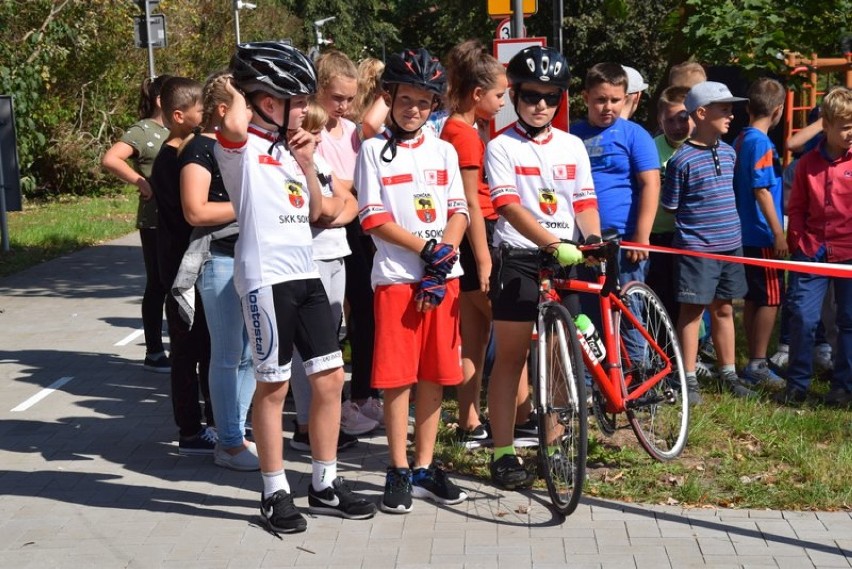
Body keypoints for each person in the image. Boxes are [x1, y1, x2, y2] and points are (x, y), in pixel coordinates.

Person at [216, 42, 377, 533]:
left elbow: (319, 212)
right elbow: (234, 123)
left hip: (305, 270)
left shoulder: (291, 149)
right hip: (266, 278)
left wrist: (307, 163)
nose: (308, 108)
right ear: (267, 101)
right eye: (298, 99)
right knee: (275, 383)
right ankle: (274, 490)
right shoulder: (239, 148)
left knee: (330, 379)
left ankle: (324, 484)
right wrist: (234, 87)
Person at [354, 48, 469, 513]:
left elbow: (458, 210)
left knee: (435, 378)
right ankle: (398, 469)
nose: (414, 109)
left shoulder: (444, 149)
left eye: (424, 102)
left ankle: (424, 467)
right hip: (398, 279)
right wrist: (425, 252)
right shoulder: (371, 151)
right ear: (389, 96)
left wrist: (443, 262)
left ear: (434, 105)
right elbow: (372, 217)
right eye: (406, 99)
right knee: (398, 380)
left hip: (443, 281)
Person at [485, 46, 600, 489]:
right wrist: (552, 242)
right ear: (515, 95)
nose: (540, 105)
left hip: (566, 258)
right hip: (519, 258)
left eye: (551, 98)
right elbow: (507, 206)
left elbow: (585, 201)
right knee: (511, 360)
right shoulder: (501, 146)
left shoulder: (572, 145)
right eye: (531, 95)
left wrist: (589, 239)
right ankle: (503, 452)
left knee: (558, 357)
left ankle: (554, 447)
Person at [175, 71, 258, 471]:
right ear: (224, 110)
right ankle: (228, 442)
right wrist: (251, 205)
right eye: (248, 105)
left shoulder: (240, 147)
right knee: (227, 356)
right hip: (220, 260)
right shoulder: (199, 150)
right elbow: (196, 210)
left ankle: (236, 433)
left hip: (247, 258)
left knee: (248, 355)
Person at [661, 81, 756, 401]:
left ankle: (728, 373)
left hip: (731, 243)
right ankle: (687, 378)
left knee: (725, 308)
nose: (731, 116)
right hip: (697, 249)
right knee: (691, 312)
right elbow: (671, 205)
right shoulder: (681, 160)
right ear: (700, 113)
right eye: (724, 110)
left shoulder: (729, 152)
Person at [288, 101, 367, 451]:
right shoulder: (295, 161)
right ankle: (307, 425)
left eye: (320, 131)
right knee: (310, 349)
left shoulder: (319, 160)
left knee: (329, 345)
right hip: (311, 259)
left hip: (336, 254)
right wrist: (330, 209)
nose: (320, 138)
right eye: (314, 131)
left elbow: (347, 203)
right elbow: (313, 208)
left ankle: (323, 424)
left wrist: (334, 211)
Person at [440, 39, 507, 448]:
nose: (504, 102)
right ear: (477, 94)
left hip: (467, 239)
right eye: (500, 95)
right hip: (475, 239)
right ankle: (519, 417)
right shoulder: (463, 134)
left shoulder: (457, 126)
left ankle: (468, 419)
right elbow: (469, 203)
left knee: (476, 336)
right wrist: (483, 259)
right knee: (514, 329)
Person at [311, 50, 382, 435]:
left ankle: (363, 394)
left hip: (356, 230)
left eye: (350, 98)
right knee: (329, 320)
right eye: (337, 97)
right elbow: (327, 190)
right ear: (319, 91)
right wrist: (345, 201)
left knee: (365, 313)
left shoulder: (352, 130)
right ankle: (328, 404)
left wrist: (349, 201)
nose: (345, 105)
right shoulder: (312, 129)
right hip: (326, 232)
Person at [149, 77, 217, 454]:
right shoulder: (172, 161)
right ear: (179, 116)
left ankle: (212, 423)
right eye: (200, 111)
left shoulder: (180, 155)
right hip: (180, 272)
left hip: (184, 267)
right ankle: (191, 430)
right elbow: (190, 216)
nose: (205, 116)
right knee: (189, 351)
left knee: (203, 348)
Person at [777, 87, 852, 407]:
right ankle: (797, 384)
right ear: (827, 126)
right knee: (803, 318)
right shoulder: (807, 165)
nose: (851, 133)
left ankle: (844, 386)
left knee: (849, 321)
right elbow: (796, 208)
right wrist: (797, 242)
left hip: (848, 253)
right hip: (812, 252)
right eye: (845, 126)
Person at [101, 75, 173, 373]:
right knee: (158, 283)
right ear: (161, 100)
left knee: (178, 283)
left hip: (180, 217)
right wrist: (140, 181)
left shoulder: (180, 127)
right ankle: (154, 352)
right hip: (155, 220)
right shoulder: (144, 130)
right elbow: (111, 158)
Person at [572, 63, 659, 286]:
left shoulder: (635, 135)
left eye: (615, 100)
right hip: (580, 239)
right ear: (585, 97)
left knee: (627, 310)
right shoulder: (570, 134)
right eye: (601, 100)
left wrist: (641, 236)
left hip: (623, 238)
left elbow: (651, 184)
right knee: (585, 315)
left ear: (625, 99)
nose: (608, 107)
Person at [732, 77, 787, 389]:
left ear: (748, 106)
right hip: (761, 235)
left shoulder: (740, 139)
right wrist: (778, 233)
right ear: (778, 111)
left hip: (743, 234)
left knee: (754, 297)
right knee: (770, 299)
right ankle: (758, 362)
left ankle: (754, 358)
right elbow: (762, 191)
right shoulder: (762, 143)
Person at [646, 86, 692, 340]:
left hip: (692, 236)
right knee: (662, 296)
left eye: (683, 118)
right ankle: (663, 349)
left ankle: (693, 352)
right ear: (660, 121)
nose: (677, 126)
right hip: (659, 236)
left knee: (690, 298)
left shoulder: (701, 148)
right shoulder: (651, 149)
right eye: (670, 120)